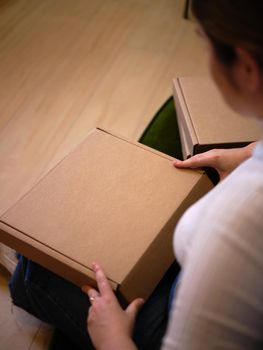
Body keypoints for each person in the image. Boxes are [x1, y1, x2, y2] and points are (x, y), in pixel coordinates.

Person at [8, 0, 263, 349]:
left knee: (34, 270)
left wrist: (113, 339)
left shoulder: (237, 223)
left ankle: (26, 263)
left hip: (177, 312)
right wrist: (245, 154)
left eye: (205, 43)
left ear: (247, 68)